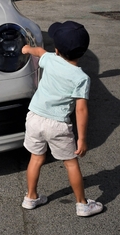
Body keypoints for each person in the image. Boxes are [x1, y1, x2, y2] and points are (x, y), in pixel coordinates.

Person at [20, 21, 103, 217]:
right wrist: (81, 138)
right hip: (57, 124)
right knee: (71, 163)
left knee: (36, 158)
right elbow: (81, 110)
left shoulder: (50, 59)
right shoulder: (80, 77)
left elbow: (39, 52)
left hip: (34, 118)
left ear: (56, 49)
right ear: (82, 52)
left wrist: (26, 48)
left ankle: (30, 197)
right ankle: (82, 204)